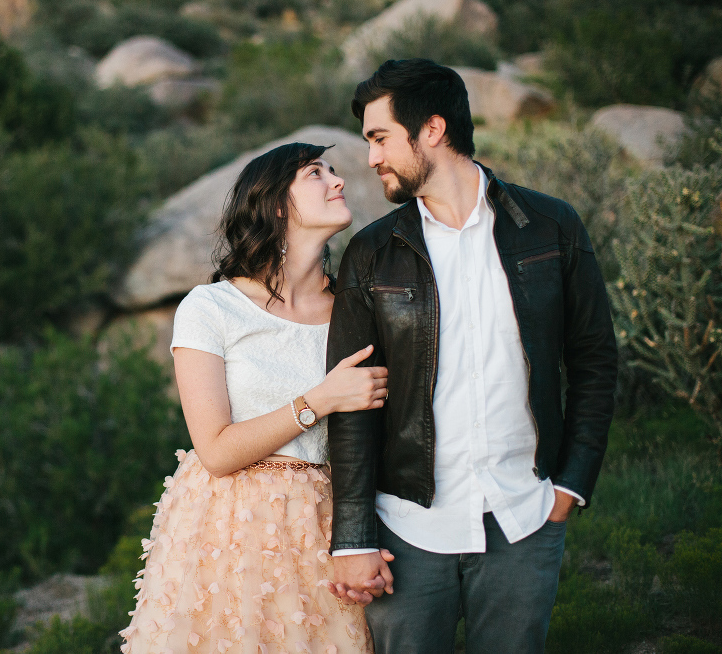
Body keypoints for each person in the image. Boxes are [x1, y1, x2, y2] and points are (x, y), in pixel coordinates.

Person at [325, 59, 618, 654]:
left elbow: (594, 359)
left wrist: (573, 482)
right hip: (408, 526)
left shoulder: (551, 226)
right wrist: (352, 538)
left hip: (526, 515)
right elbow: (351, 402)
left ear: (432, 130)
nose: (372, 158)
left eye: (380, 138)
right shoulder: (372, 253)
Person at [119, 142, 391, 653]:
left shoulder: (356, 310)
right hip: (225, 529)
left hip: (328, 522)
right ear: (276, 205)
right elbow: (216, 451)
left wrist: (369, 534)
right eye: (316, 173)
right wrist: (319, 400)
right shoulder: (212, 307)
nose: (339, 181)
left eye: (334, 172)